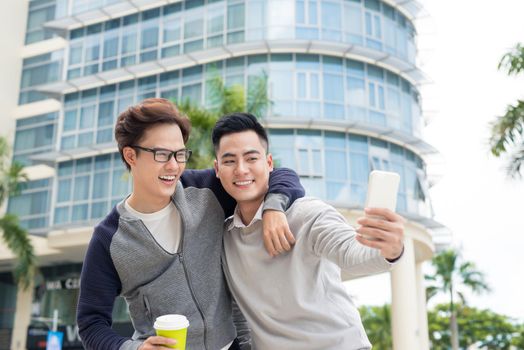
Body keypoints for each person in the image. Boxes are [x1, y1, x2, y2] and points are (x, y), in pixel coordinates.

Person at [76, 99, 305, 350]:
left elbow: (279, 175)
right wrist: (135, 349)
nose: (174, 166)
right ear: (131, 155)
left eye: (180, 154)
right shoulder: (109, 239)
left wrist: (273, 207)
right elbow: (91, 323)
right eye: (161, 154)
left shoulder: (206, 191)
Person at [212, 112, 405, 350]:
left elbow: (351, 252)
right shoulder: (225, 238)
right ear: (217, 169)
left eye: (251, 158)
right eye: (229, 161)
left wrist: (389, 249)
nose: (241, 170)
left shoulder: (308, 214)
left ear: (269, 163)